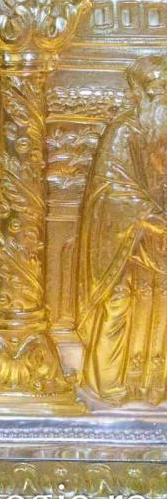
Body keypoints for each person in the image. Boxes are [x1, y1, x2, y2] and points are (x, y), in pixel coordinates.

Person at [77, 54, 167, 403]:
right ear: (139, 93)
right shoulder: (123, 131)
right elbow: (111, 188)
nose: (162, 96)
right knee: (119, 305)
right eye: (156, 89)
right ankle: (108, 383)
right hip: (126, 241)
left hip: (160, 244)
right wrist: (148, 215)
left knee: (158, 310)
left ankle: (151, 384)